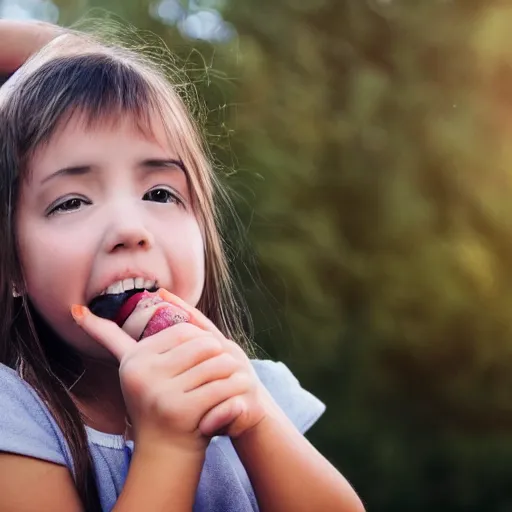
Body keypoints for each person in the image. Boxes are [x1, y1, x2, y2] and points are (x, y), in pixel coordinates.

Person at [0, 20, 365, 512]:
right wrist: (169, 446)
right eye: (71, 202)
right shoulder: (15, 416)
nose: (130, 229)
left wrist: (254, 420)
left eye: (159, 193)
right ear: (13, 267)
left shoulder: (254, 388)